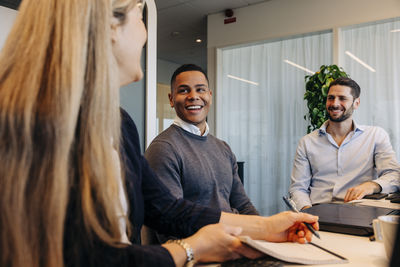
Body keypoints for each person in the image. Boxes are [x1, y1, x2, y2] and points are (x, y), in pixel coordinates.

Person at [0, 0, 319, 267]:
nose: (144, 33)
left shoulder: (117, 123)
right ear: (111, 28)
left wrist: (267, 226)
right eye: (140, 17)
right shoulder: (34, 126)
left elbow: (166, 209)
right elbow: (89, 257)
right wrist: (193, 249)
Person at [144, 64, 258, 226]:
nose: (193, 96)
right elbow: (170, 224)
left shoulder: (223, 148)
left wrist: (267, 230)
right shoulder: (163, 149)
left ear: (209, 96)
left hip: (234, 240)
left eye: (200, 89)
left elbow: (243, 205)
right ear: (171, 99)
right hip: (202, 247)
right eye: (184, 90)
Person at [289, 77, 400, 210]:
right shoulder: (307, 142)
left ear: (356, 103)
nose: (335, 104)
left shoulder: (375, 136)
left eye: (342, 98)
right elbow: (298, 189)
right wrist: (308, 212)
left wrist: (371, 185)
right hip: (318, 212)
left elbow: (394, 175)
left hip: (359, 212)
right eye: (330, 98)